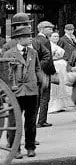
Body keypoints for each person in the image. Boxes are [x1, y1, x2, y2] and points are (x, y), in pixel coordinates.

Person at [4, 21, 41, 158]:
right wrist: (6, 94)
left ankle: (30, 147)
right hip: (15, 92)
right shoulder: (9, 53)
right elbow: (4, 75)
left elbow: (37, 68)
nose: (30, 38)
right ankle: (15, 149)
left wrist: (39, 81)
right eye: (27, 36)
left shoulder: (33, 52)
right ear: (19, 39)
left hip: (31, 91)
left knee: (31, 121)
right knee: (14, 122)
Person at [33, 20, 55, 128]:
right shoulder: (45, 41)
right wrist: (51, 72)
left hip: (35, 72)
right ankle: (42, 121)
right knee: (45, 97)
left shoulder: (34, 40)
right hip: (44, 72)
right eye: (49, 28)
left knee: (37, 97)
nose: (51, 31)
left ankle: (34, 120)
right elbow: (48, 58)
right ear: (42, 29)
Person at [47, 31, 74, 114]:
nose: (56, 38)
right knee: (55, 86)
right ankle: (53, 107)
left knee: (63, 86)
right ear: (50, 37)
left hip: (61, 65)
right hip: (55, 65)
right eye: (54, 36)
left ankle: (61, 105)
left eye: (57, 36)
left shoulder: (57, 45)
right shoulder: (49, 46)